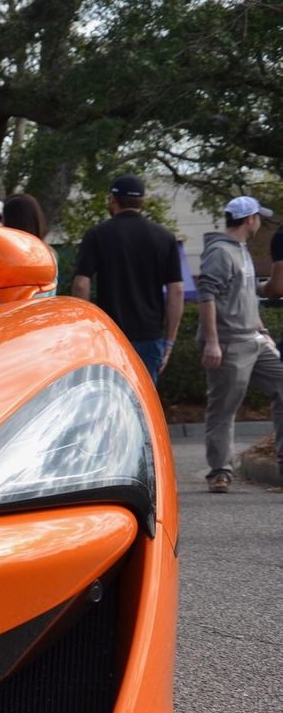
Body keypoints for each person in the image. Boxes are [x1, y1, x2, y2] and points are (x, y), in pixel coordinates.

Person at [196, 196, 283, 493]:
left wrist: (264, 330)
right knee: (225, 408)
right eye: (260, 218)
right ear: (250, 219)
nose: (260, 223)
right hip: (229, 342)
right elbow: (206, 295)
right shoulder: (221, 252)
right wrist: (212, 342)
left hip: (255, 339)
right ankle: (219, 472)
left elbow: (243, 292)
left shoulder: (240, 250)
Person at [72, 174, 184, 381]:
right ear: (143, 201)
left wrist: (84, 329)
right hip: (150, 335)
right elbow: (176, 291)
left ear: (112, 200)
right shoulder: (164, 237)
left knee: (107, 396)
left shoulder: (97, 235)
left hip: (109, 333)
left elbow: (81, 284)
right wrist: (169, 342)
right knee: (142, 403)